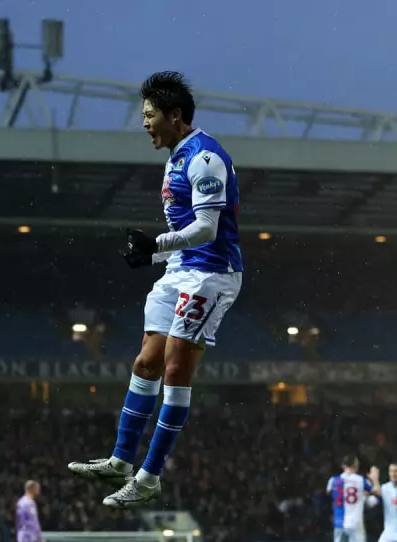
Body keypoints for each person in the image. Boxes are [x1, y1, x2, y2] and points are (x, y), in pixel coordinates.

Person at [68, 71, 242, 508]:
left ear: (175, 115)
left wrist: (156, 244)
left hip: (211, 274)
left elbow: (207, 228)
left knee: (175, 370)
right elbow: (185, 231)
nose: (144, 123)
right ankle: (121, 460)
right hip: (180, 268)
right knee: (146, 362)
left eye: (149, 115)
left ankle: (149, 476)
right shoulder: (176, 157)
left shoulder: (205, 158)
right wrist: (155, 255)